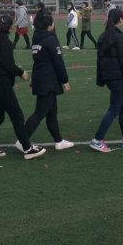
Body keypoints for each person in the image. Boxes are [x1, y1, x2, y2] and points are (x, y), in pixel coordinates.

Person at [0, 15, 45, 159]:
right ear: (11, 27)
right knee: (17, 115)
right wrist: (20, 72)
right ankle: (27, 149)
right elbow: (7, 64)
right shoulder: (5, 42)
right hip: (1, 85)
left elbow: (0, 62)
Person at [88, 9, 123, 152]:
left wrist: (100, 78)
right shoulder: (119, 37)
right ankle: (98, 139)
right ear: (120, 19)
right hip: (117, 78)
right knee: (114, 109)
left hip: (109, 77)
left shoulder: (103, 36)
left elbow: (99, 60)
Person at [24, 12, 74, 150]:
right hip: (48, 80)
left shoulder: (36, 38)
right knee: (40, 112)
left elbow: (37, 61)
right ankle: (22, 140)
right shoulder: (50, 39)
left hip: (42, 77)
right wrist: (65, 80)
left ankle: (59, 141)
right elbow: (58, 61)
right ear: (49, 26)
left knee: (51, 112)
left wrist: (34, 77)